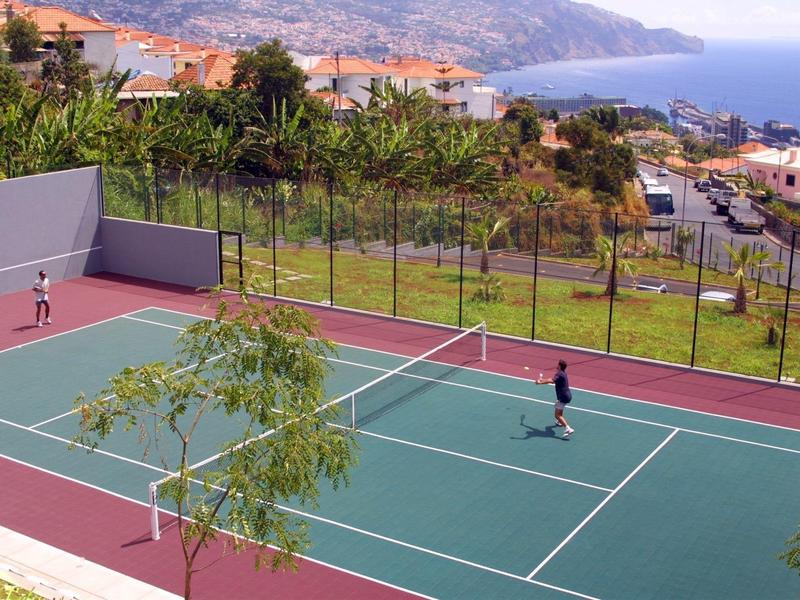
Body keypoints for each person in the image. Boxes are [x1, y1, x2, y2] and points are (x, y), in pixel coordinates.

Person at [536, 359, 574, 438]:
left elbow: (551, 380)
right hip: (567, 396)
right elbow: (552, 380)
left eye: (558, 365)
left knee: (557, 415)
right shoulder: (563, 373)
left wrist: (540, 382)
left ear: (559, 366)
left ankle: (568, 428)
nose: (557, 366)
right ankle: (560, 422)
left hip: (563, 397)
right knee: (559, 409)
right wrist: (542, 380)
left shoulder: (559, 374)